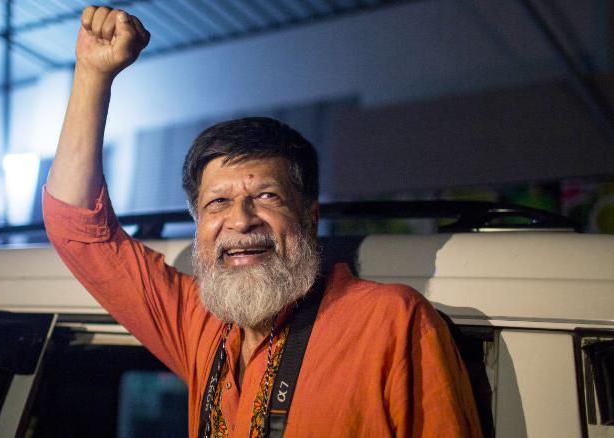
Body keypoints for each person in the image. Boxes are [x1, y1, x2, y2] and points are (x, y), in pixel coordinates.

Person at [43, 6, 482, 437]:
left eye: (266, 196)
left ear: (309, 217)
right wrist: (91, 74)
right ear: (198, 224)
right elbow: (80, 232)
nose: (240, 220)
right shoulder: (204, 326)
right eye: (217, 202)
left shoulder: (389, 322)